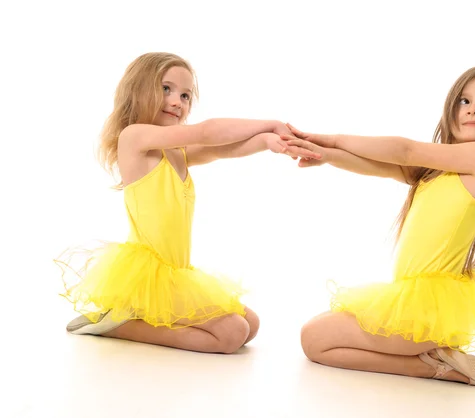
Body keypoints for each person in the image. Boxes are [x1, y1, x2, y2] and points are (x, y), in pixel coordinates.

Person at [281, 66, 475, 386]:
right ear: (450, 111)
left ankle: (433, 367)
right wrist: (326, 155)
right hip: (413, 302)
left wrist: (329, 138)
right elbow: (381, 166)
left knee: (313, 339)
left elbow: (406, 150)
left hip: (427, 310)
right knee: (318, 333)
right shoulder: (434, 173)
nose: (473, 108)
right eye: (463, 100)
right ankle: (434, 356)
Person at [54, 52, 320, 354]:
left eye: (185, 95)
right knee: (232, 333)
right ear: (138, 90)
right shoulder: (134, 138)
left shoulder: (177, 151)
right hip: (148, 277)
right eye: (166, 89)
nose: (177, 101)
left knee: (251, 325)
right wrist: (270, 123)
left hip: (177, 274)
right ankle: (118, 324)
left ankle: (139, 319)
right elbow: (206, 132)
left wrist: (269, 142)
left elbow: (222, 149)